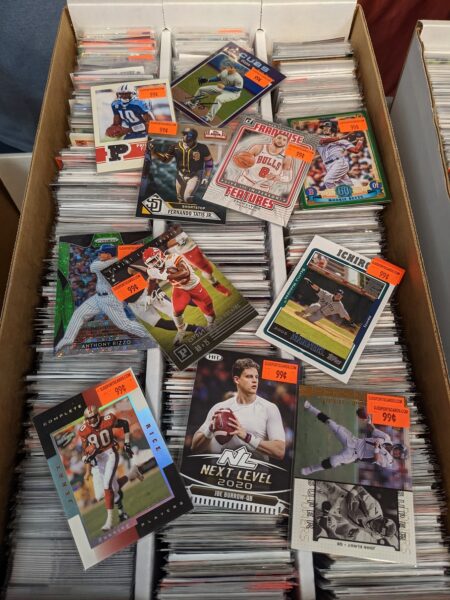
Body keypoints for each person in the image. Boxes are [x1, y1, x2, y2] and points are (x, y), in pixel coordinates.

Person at [55, 244, 152, 353]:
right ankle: (67, 340)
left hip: (110, 299)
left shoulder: (106, 265)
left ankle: (150, 334)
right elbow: (98, 265)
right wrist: (122, 259)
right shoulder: (113, 262)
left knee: (124, 325)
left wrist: (121, 259)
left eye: (102, 253)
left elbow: (93, 267)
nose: (99, 254)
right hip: (98, 297)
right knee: (78, 314)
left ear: (109, 255)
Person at [191, 357, 286, 461]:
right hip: (218, 470)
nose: (254, 380)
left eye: (256, 377)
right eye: (249, 377)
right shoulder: (219, 408)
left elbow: (279, 451)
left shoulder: (269, 408)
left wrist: (246, 437)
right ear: (237, 379)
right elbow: (194, 448)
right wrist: (209, 429)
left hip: (253, 471)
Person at [79, 405, 143, 531]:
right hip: (99, 460)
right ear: (86, 420)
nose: (92, 420)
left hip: (110, 454)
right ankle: (132, 474)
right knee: (108, 491)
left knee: (107, 486)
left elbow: (125, 424)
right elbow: (85, 450)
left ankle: (109, 521)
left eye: (94, 417)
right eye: (89, 418)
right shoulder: (83, 430)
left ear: (98, 415)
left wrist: (126, 443)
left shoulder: (108, 420)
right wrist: (86, 460)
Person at [301, 400, 408, 476]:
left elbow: (377, 459)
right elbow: (373, 430)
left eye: (398, 455)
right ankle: (310, 407)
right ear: (398, 447)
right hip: (354, 441)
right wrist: (369, 421)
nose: (397, 453)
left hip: (354, 455)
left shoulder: (389, 461)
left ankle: (311, 469)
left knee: (333, 461)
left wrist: (376, 448)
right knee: (331, 424)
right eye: (399, 451)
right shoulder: (386, 438)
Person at [149, 127, 213, 202]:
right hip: (180, 174)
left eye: (188, 135)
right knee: (180, 199)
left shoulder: (202, 147)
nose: (185, 136)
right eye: (184, 134)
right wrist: (155, 153)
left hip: (195, 175)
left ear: (194, 137)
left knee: (187, 197)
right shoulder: (175, 146)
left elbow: (209, 162)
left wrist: (206, 177)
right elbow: (166, 159)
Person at [316, 121, 364, 189]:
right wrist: (343, 137)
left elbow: (355, 150)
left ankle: (336, 194)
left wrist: (360, 141)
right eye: (323, 128)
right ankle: (352, 192)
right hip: (328, 165)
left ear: (333, 129)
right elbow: (322, 141)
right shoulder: (319, 138)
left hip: (339, 162)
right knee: (347, 184)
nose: (324, 129)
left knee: (328, 181)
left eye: (327, 127)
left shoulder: (342, 141)